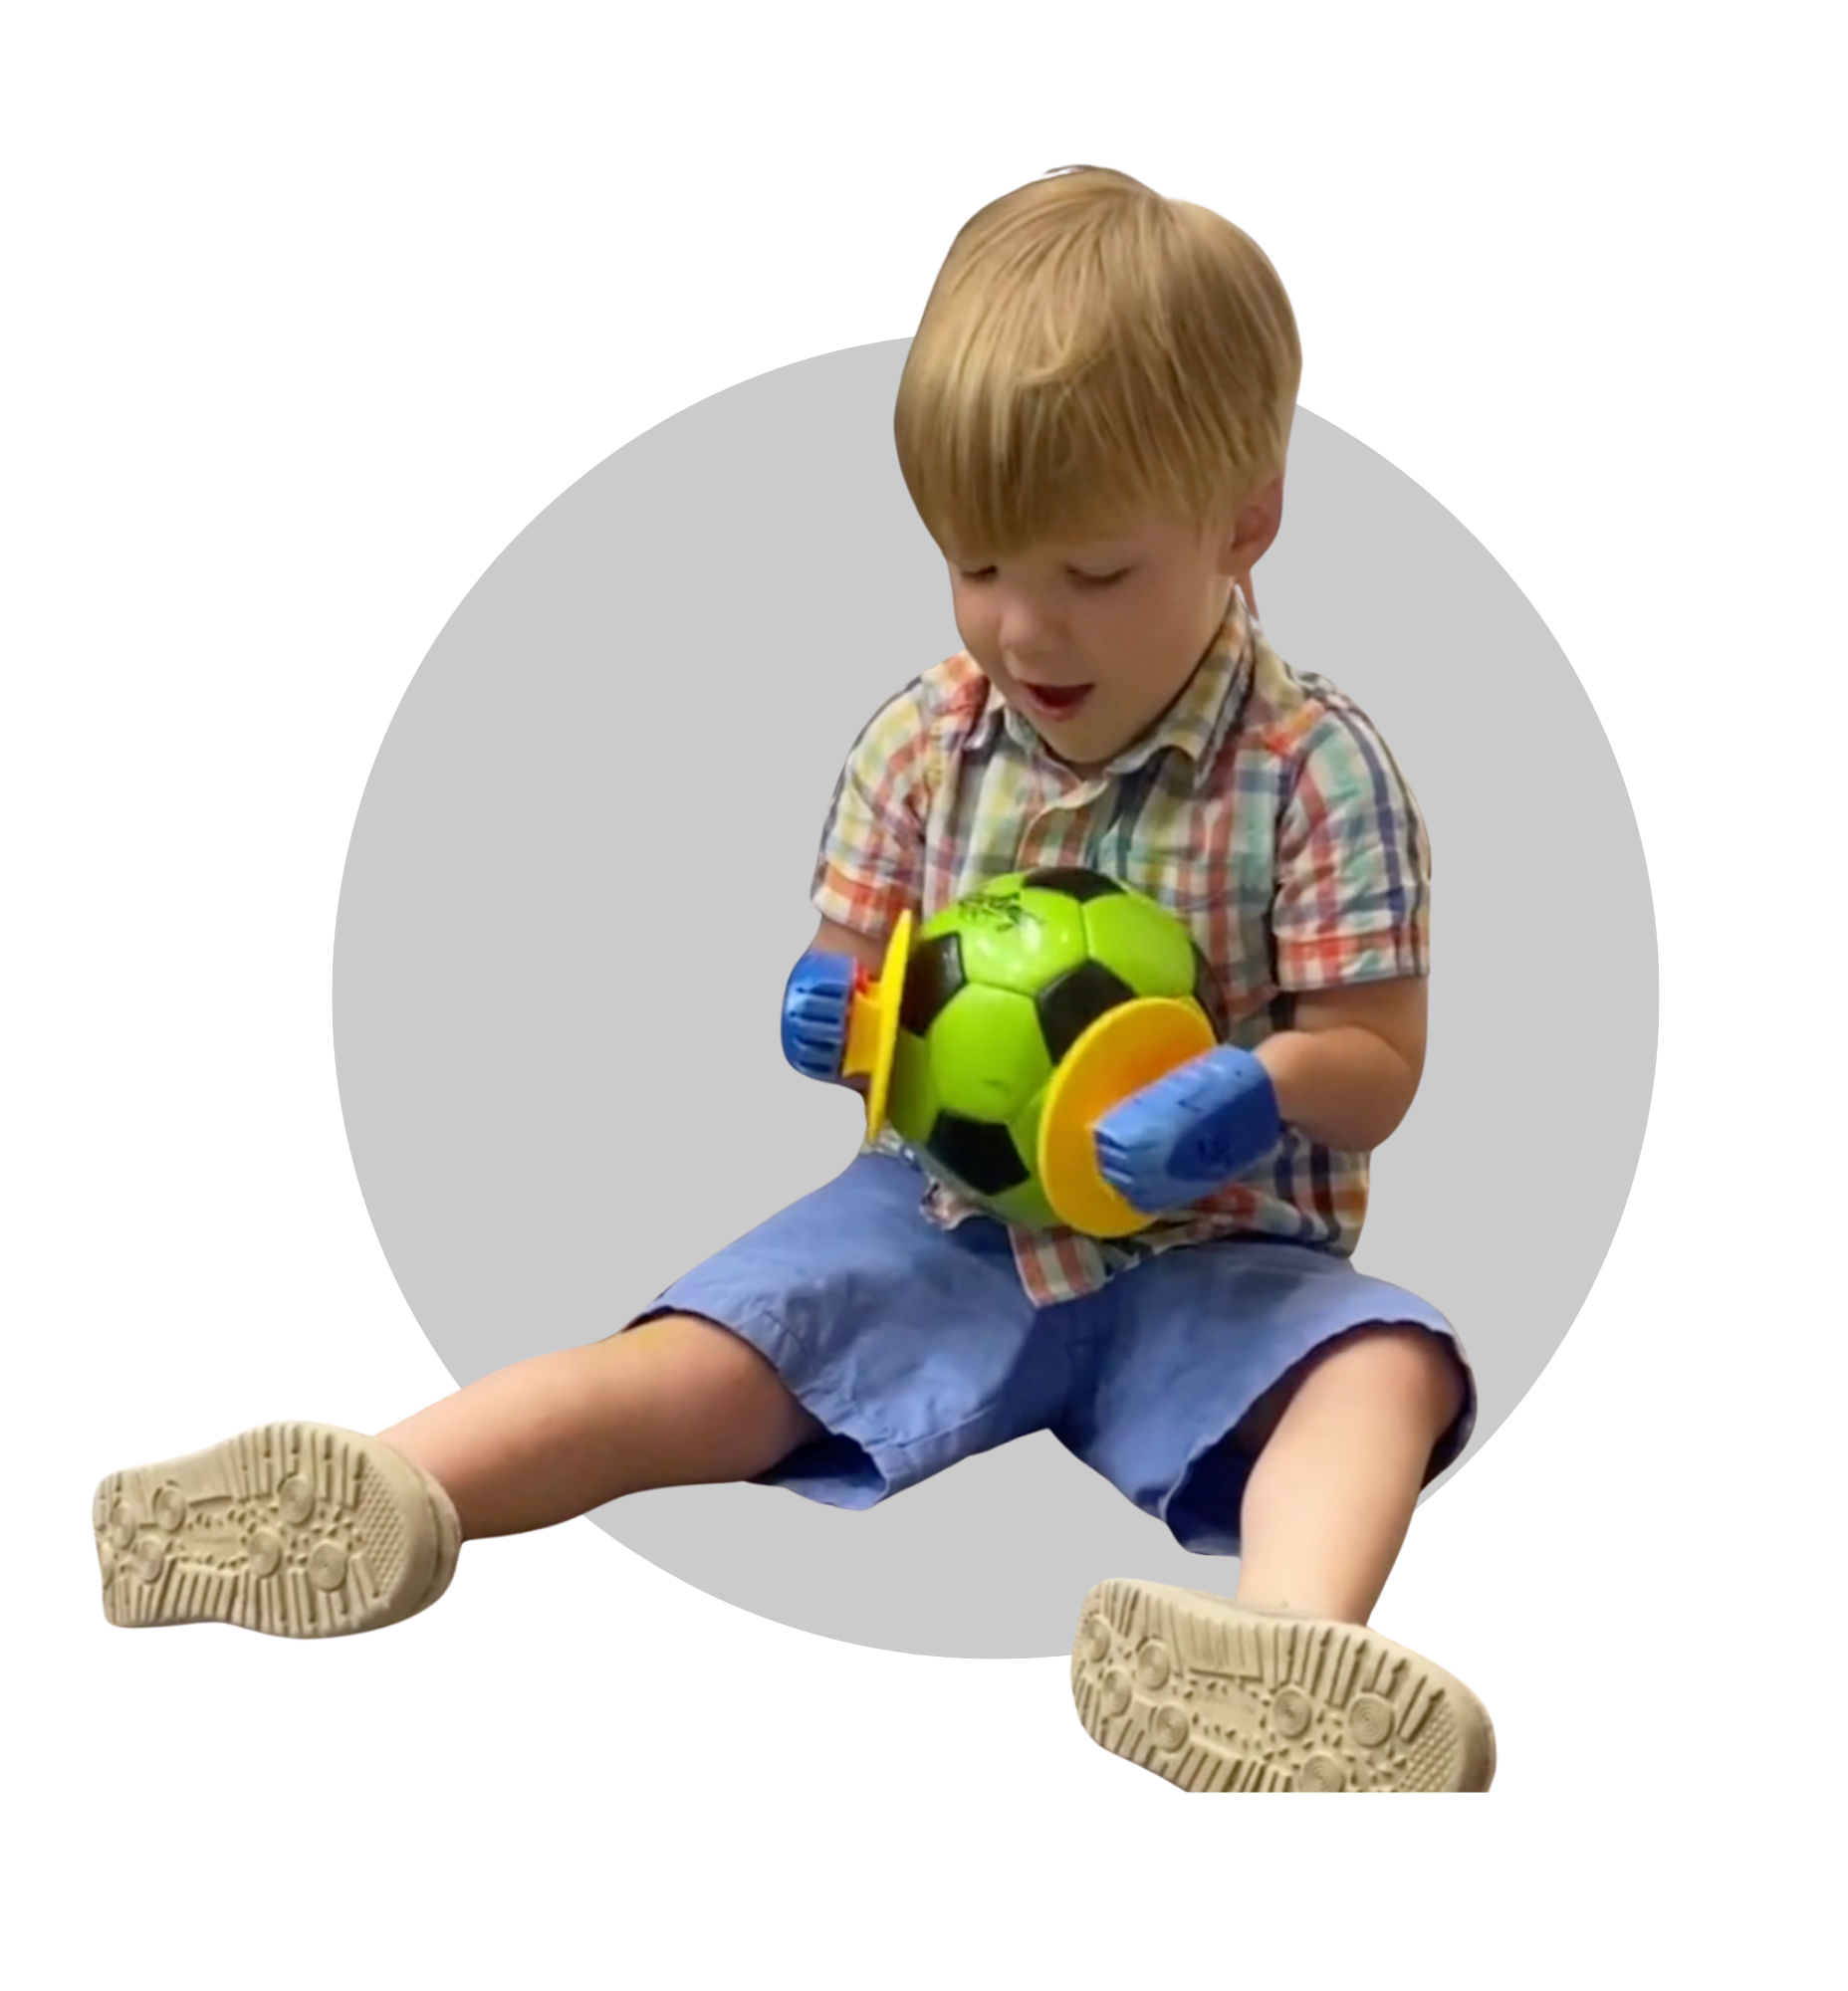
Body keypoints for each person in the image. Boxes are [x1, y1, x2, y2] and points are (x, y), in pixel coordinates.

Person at [94, 166, 1493, 1799]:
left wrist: (1252, 1089)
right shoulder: (926, 736)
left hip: (1218, 1253)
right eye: (978, 566)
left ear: (1246, 520)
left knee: (1384, 1362)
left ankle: (1284, 1661)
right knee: (705, 1360)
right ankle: (392, 1487)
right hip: (942, 1224)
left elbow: (1377, 1054)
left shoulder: (1318, 774)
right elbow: (857, 967)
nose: (1026, 627)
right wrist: (837, 1010)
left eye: (1095, 577)